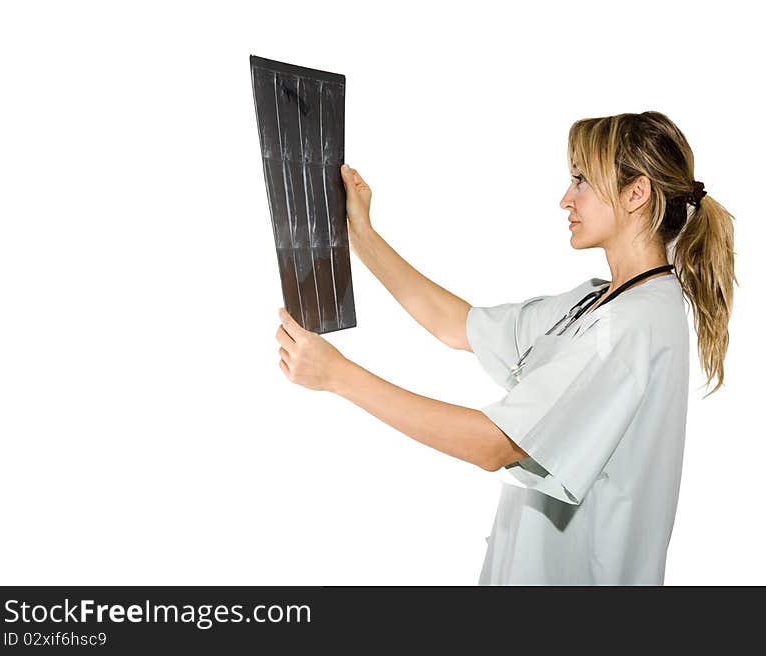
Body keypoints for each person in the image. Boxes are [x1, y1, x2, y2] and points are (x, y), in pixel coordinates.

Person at [274, 110, 736, 585]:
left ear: (635, 193)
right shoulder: (597, 301)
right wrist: (363, 236)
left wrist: (338, 376)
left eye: (581, 180)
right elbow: (458, 326)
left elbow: (494, 444)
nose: (565, 198)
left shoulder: (628, 327)